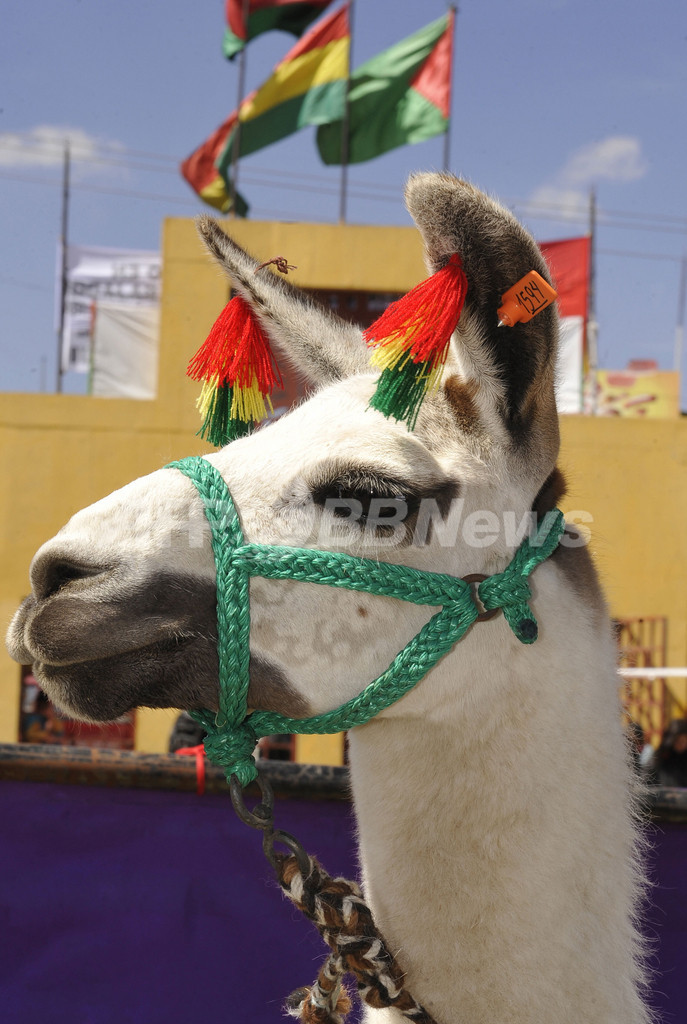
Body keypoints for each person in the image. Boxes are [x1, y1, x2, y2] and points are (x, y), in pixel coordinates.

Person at [647, 718, 687, 787]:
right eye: (678, 741)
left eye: (683, 741)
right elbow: (648, 776)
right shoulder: (661, 755)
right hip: (662, 792)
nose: (681, 744)